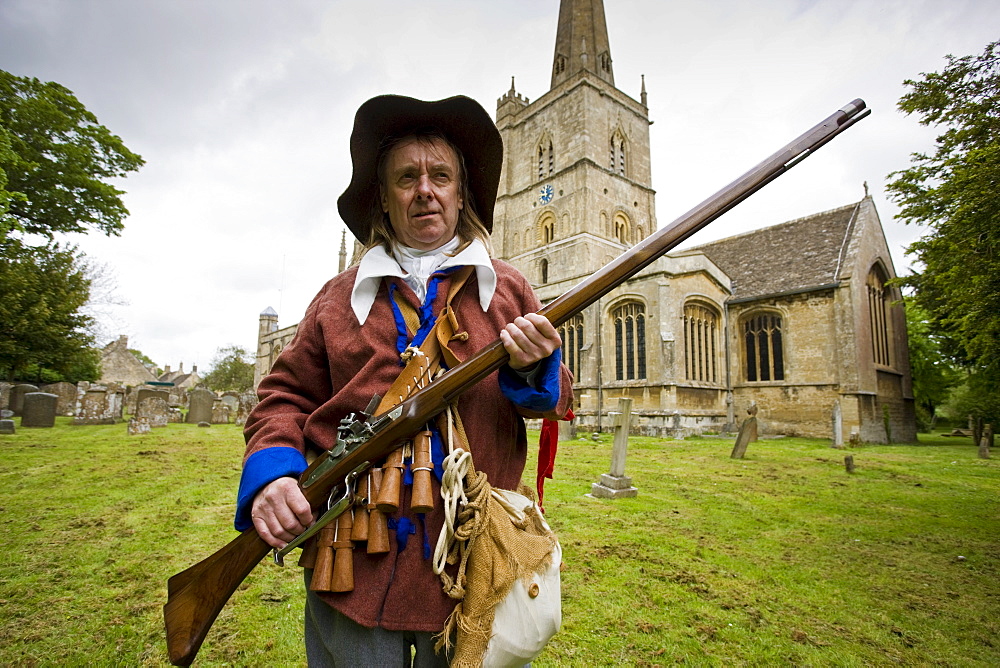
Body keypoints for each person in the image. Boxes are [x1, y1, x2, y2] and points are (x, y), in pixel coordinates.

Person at [234, 94, 574, 666]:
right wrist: (271, 476)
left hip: (473, 567)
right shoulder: (337, 297)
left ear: (461, 193)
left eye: (441, 175)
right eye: (406, 177)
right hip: (352, 572)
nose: (425, 190)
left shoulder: (509, 289)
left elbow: (559, 396)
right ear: (383, 199)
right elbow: (282, 398)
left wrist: (533, 365)